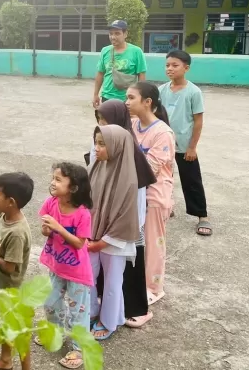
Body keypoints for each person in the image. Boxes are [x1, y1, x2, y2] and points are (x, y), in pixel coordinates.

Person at [93, 100, 157, 329]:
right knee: (108, 276)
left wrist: (129, 229)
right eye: (99, 121)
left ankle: (127, 313)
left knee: (124, 273)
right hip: (103, 228)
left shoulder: (132, 157)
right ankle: (107, 311)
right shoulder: (103, 150)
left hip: (125, 228)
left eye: (106, 121)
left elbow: (137, 201)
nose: (102, 125)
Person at [39, 163, 93, 369]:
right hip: (57, 266)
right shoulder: (51, 203)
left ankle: (79, 349)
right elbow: (45, 231)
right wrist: (47, 229)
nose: (53, 182)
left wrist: (59, 228)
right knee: (50, 303)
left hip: (77, 271)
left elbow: (80, 243)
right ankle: (56, 333)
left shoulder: (82, 214)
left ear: (74, 188)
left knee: (78, 311)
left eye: (59, 179)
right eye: (53, 178)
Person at [88, 125, 140, 341]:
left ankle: (109, 321)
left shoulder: (129, 181)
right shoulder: (95, 168)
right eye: (96, 143)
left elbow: (125, 219)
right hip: (90, 236)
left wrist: (100, 243)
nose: (96, 148)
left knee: (112, 282)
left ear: (117, 147)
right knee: (87, 277)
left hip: (113, 241)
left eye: (102, 144)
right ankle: (90, 313)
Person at [126, 82, 175, 306]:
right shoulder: (133, 125)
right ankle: (136, 284)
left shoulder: (163, 133)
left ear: (147, 102)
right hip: (135, 193)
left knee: (154, 244)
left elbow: (150, 168)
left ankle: (153, 288)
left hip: (154, 196)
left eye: (131, 98)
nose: (127, 102)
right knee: (136, 242)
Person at [159, 50, 211, 236]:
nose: (170, 69)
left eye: (175, 65)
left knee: (191, 179)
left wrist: (192, 146)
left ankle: (202, 216)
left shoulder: (193, 92)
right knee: (163, 177)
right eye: (167, 65)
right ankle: (167, 206)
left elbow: (198, 121)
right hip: (163, 144)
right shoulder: (162, 90)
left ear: (186, 68)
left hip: (184, 145)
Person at [0, 173, 33, 370]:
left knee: (15, 328)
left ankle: (23, 366)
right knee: (3, 324)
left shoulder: (17, 233)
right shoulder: (3, 215)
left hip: (9, 288)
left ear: (11, 202)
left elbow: (9, 267)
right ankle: (5, 359)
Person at [92, 20, 147, 109]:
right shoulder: (105, 51)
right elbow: (100, 73)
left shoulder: (136, 52)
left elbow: (141, 75)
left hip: (127, 99)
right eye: (111, 34)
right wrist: (95, 94)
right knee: (108, 123)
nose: (113, 37)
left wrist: (140, 97)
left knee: (127, 123)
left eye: (117, 33)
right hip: (107, 97)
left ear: (125, 34)